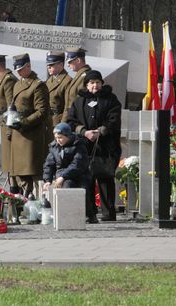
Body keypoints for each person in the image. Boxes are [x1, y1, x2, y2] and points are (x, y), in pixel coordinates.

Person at [67, 70, 122, 222]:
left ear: (102, 83)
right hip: (85, 146)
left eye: (98, 82)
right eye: (92, 83)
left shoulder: (111, 99)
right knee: (87, 180)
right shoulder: (79, 101)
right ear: (86, 85)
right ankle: (90, 213)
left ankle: (108, 213)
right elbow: (71, 121)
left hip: (106, 147)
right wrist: (84, 132)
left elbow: (114, 119)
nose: (95, 85)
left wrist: (100, 131)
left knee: (105, 179)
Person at [6, 53, 50, 196]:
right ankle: (23, 202)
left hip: (30, 135)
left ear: (29, 66)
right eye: (17, 69)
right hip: (17, 133)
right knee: (18, 173)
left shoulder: (38, 85)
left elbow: (42, 111)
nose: (18, 72)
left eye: (21, 68)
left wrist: (24, 122)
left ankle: (34, 202)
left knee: (31, 172)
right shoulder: (18, 84)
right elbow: (13, 107)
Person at [42, 122, 93, 222]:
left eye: (60, 137)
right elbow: (49, 164)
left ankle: (89, 214)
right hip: (62, 176)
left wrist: (63, 176)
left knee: (83, 189)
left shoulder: (78, 145)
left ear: (67, 136)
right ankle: (67, 215)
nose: (58, 140)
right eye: (56, 138)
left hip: (79, 174)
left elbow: (77, 164)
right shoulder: (54, 147)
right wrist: (47, 180)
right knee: (67, 186)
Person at [61, 47, 92, 122]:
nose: (68, 65)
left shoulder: (87, 76)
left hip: (77, 119)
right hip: (71, 117)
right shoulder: (79, 75)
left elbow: (82, 101)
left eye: (70, 62)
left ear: (78, 60)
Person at [46, 50, 71, 127]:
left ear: (60, 65)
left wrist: (63, 124)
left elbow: (68, 106)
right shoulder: (50, 80)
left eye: (52, 65)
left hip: (57, 121)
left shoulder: (67, 81)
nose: (48, 67)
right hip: (47, 120)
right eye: (48, 65)